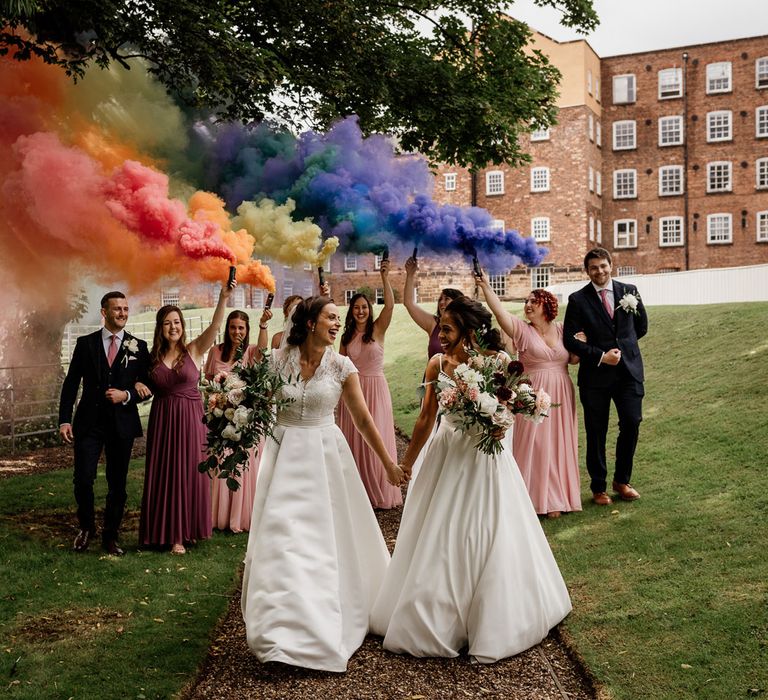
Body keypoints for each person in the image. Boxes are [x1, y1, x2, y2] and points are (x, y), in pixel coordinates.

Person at [370, 296, 571, 663]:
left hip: (484, 460)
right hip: (446, 455)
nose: (440, 335)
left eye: (446, 328)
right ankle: (435, 615)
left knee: (486, 530)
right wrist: (407, 464)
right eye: (439, 328)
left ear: (467, 330)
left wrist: (501, 426)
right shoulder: (436, 364)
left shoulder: (496, 362)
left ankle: (490, 615)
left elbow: (513, 405)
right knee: (441, 534)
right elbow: (424, 418)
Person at [241, 296, 407, 673]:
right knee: (283, 542)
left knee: (320, 545)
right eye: (331, 317)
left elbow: (364, 421)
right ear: (311, 322)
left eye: (339, 318)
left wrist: (388, 464)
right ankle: (278, 634)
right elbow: (254, 406)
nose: (337, 323)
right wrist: (228, 419)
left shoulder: (342, 366)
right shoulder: (276, 361)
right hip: (282, 459)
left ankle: (318, 625)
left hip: (325, 459)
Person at [139, 280, 233, 554]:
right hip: (164, 419)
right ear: (161, 327)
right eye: (168, 323)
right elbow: (137, 381)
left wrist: (223, 298)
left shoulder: (193, 350)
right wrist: (135, 386)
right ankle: (162, 532)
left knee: (189, 471)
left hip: (191, 419)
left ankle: (183, 534)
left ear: (182, 326)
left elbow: (215, 328)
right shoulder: (152, 358)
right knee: (165, 473)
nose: (173, 327)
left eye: (177, 322)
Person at [476, 276, 581, 518]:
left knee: (558, 443)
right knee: (535, 444)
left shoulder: (564, 328)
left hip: (562, 391)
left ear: (548, 306)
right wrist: (485, 287)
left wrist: (583, 343)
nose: (528, 305)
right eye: (526, 301)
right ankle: (532, 498)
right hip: (531, 394)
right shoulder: (522, 330)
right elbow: (500, 312)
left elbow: (574, 359)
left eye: (534, 301)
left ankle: (557, 498)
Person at [58, 291, 150, 556]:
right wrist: (65, 419)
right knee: (83, 478)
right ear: (104, 312)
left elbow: (148, 386)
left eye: (125, 309)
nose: (122, 313)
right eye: (117, 309)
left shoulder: (138, 347)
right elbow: (71, 383)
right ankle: (86, 527)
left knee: (117, 483)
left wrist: (128, 395)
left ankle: (111, 536)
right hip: (88, 423)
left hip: (122, 425)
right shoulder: (85, 344)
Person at [563, 247, 648, 506]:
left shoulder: (630, 291)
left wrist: (623, 349)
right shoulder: (578, 300)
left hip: (629, 373)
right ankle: (598, 487)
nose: (599, 271)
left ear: (611, 265)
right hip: (595, 377)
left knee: (632, 423)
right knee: (596, 432)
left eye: (603, 266)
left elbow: (641, 327)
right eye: (594, 268)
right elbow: (570, 339)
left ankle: (622, 481)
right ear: (587, 271)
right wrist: (601, 356)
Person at [336, 258, 401, 508]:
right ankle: (359, 492)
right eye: (356, 308)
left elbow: (391, 306)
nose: (360, 311)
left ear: (369, 309)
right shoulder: (346, 336)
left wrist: (384, 277)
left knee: (379, 436)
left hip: (376, 388)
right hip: (354, 391)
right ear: (351, 311)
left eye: (364, 307)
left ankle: (381, 490)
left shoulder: (377, 330)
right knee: (355, 438)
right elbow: (339, 367)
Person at [204, 309, 270, 533]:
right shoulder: (215, 352)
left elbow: (263, 351)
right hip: (221, 421)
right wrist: (215, 406)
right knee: (222, 465)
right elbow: (209, 385)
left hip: (245, 421)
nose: (237, 331)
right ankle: (218, 516)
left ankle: (241, 516)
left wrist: (263, 326)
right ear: (227, 329)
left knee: (243, 466)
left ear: (247, 330)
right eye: (233, 327)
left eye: (241, 328)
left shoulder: (251, 352)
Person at [403, 255, 464, 358]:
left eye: (447, 299)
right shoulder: (433, 324)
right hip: (433, 374)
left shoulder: (467, 326)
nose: (441, 302)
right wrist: (410, 274)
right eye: (440, 299)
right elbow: (409, 303)